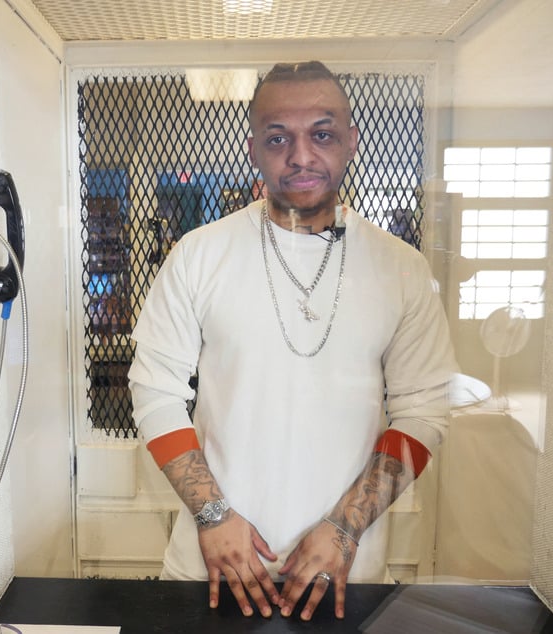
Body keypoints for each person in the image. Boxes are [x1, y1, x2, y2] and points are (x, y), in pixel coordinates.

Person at [128, 61, 457, 621]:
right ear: (253, 147)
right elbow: (155, 392)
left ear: (351, 142)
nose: (301, 156)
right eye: (278, 138)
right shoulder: (199, 255)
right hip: (211, 565)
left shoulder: (400, 269)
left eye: (322, 134)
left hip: (342, 571)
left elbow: (423, 411)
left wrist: (344, 528)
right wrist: (213, 516)